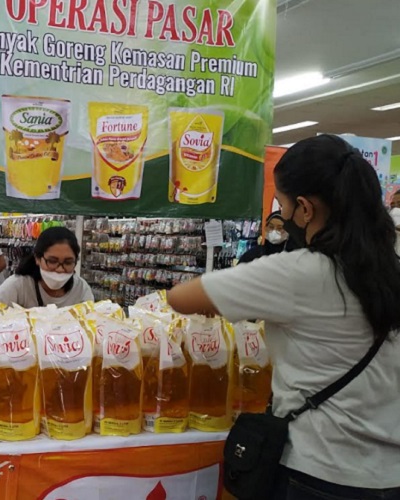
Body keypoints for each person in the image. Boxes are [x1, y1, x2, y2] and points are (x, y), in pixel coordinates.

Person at [166, 135, 400, 499]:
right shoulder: (392, 266)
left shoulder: (301, 272)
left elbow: (182, 297)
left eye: (284, 205)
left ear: (305, 209)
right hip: (389, 472)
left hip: (320, 467)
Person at [0, 227, 94, 308]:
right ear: (37, 258)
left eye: (68, 262)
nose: (60, 269)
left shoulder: (81, 290)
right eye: (52, 261)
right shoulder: (16, 287)